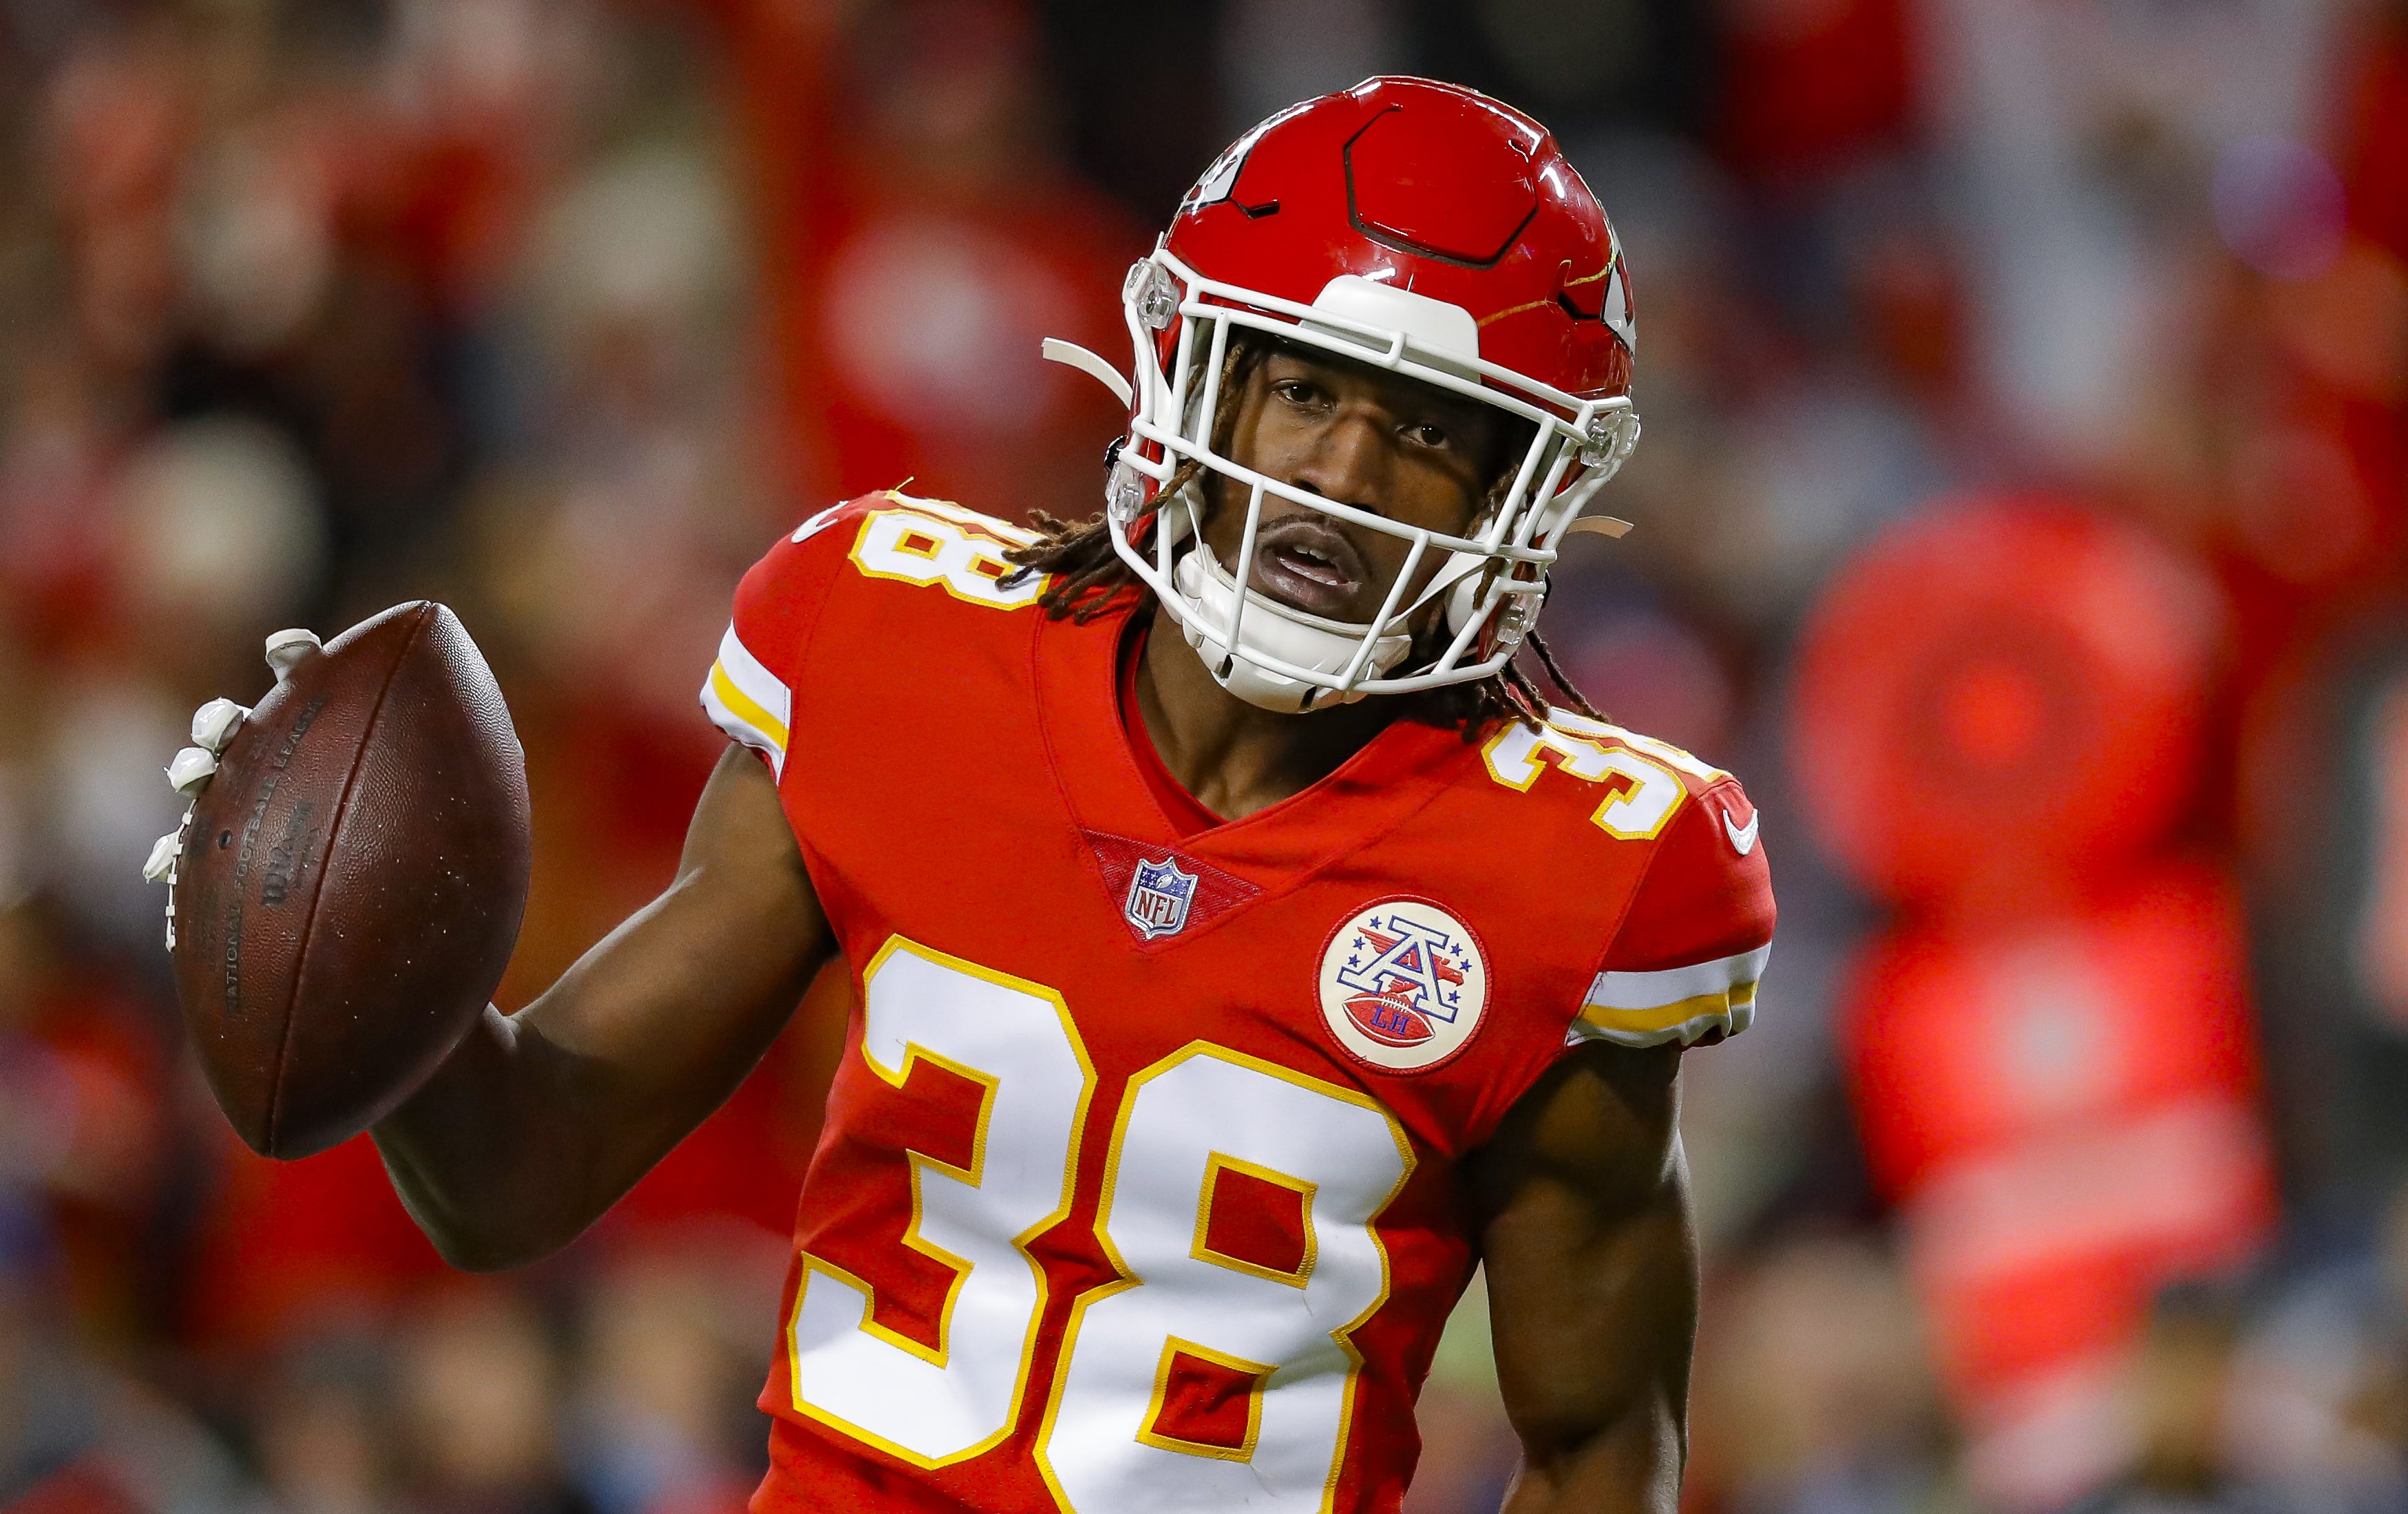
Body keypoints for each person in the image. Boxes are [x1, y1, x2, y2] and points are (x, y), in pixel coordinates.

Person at [156, 76, 1774, 1514]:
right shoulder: (890, 639)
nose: (1342, 480)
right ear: (1190, 373)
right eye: (1302, 389)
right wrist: (353, 947)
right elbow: (519, 1172)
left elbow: (1593, 1444)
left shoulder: (1581, 867)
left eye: (1430, 431)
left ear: (1524, 487)